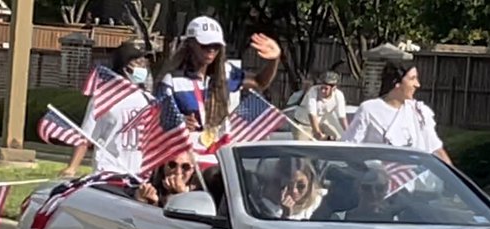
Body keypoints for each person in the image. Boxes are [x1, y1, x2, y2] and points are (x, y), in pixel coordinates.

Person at [154, 16, 282, 157]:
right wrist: (179, 122)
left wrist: (274, 60)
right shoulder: (172, 81)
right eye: (205, 45)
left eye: (216, 46)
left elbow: (260, 82)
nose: (211, 50)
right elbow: (156, 122)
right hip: (187, 158)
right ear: (190, 44)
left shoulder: (226, 73)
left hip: (219, 155)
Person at [59, 40, 153, 178]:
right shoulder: (104, 98)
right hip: (109, 171)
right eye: (138, 63)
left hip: (139, 174)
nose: (143, 68)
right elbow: (85, 136)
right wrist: (72, 167)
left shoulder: (147, 99)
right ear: (125, 67)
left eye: (144, 63)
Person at [341, 60, 452, 165]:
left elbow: (436, 148)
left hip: (417, 175)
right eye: (412, 79)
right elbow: (350, 146)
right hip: (378, 176)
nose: (417, 84)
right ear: (397, 83)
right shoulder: (369, 109)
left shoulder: (419, 112)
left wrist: (452, 176)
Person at [292, 71, 348, 140]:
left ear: (334, 88)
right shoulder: (313, 91)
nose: (322, 91)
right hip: (303, 125)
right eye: (321, 88)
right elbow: (312, 114)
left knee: (337, 137)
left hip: (320, 123)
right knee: (303, 144)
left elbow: (342, 117)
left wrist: (349, 133)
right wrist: (318, 133)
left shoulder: (338, 95)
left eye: (326, 89)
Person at [134, 151, 200, 208]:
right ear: (163, 167)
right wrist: (148, 202)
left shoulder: (199, 194)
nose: (178, 172)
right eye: (172, 165)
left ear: (193, 170)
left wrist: (182, 195)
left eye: (185, 167)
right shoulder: (151, 189)